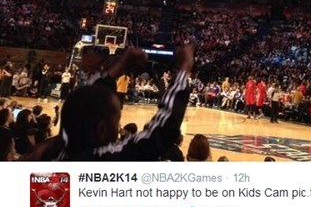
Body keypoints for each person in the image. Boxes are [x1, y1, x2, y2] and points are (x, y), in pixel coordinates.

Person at [22, 44, 193, 161]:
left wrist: (119, 66)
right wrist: (185, 68)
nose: (118, 126)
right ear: (102, 129)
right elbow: (159, 134)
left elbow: (85, 102)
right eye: (116, 120)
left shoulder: (56, 148)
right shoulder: (100, 162)